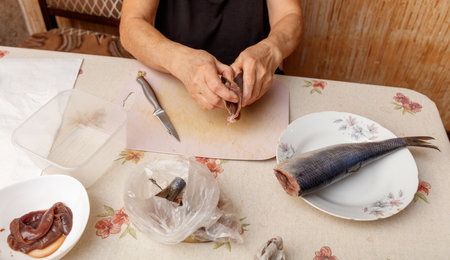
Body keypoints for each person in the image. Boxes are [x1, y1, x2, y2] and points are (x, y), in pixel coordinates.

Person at [120, 0, 303, 110]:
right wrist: (180, 61)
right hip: (171, 84)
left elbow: (289, 15)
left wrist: (269, 50)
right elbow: (132, 24)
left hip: (257, 89)